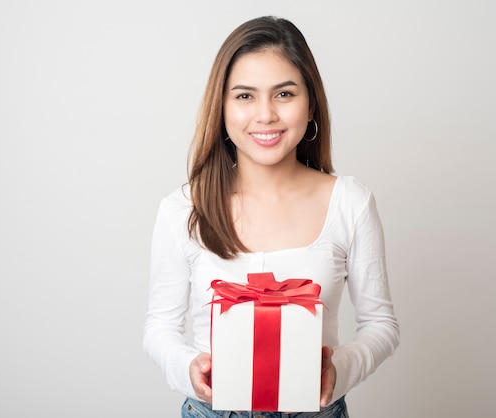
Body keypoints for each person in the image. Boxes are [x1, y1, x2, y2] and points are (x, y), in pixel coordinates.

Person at [143, 15, 399, 418]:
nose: (265, 115)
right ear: (222, 107)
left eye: (284, 94)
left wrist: (338, 370)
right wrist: (188, 368)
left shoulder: (350, 202)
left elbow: (381, 324)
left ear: (311, 103)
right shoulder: (183, 209)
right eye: (245, 96)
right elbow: (159, 328)